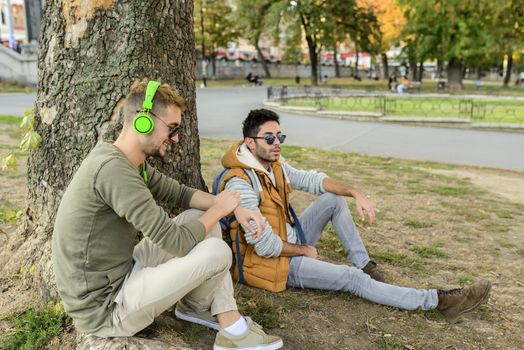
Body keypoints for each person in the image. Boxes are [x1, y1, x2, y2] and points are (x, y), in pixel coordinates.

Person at [52, 81, 283, 350]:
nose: (175, 138)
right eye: (171, 129)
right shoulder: (113, 172)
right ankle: (233, 330)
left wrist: (237, 208)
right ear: (143, 122)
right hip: (107, 310)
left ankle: (195, 308)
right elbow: (177, 243)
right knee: (218, 251)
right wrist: (221, 207)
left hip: (122, 274)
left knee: (198, 215)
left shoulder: (123, 160)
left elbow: (181, 194)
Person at [217, 108, 491, 323]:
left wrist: (355, 192)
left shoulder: (273, 163)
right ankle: (440, 301)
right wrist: (303, 250)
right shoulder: (241, 184)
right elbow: (265, 246)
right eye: (269, 138)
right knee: (351, 280)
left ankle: (366, 266)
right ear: (250, 143)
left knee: (333, 199)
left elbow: (312, 181)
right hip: (273, 264)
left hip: (287, 239)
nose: (277, 143)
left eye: (280, 136)